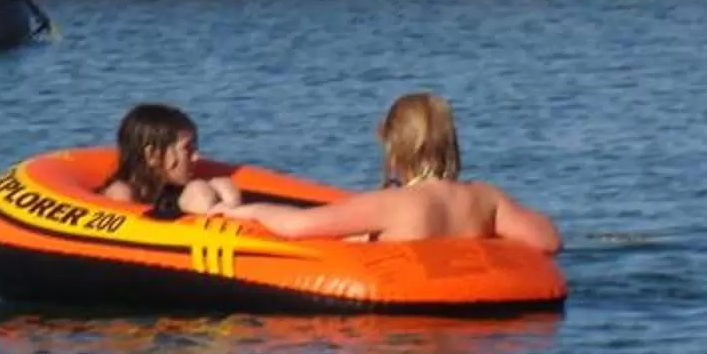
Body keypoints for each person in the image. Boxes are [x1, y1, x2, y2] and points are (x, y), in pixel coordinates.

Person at [221, 92, 560, 253]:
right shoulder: (486, 197)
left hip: (405, 339)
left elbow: (297, 227)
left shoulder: (392, 203)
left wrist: (247, 210)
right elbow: (548, 240)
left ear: (396, 148)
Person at [101, 103, 246, 218]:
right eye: (187, 149)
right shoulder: (122, 193)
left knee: (224, 186)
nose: (196, 157)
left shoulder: (167, 188)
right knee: (200, 192)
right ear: (153, 156)